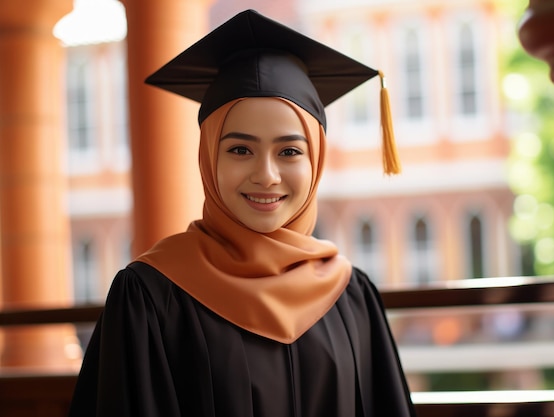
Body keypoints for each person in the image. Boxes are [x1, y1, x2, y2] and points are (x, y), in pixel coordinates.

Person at [68, 9, 415, 417]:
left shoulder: (351, 293)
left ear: (316, 160)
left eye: (289, 151)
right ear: (208, 157)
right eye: (239, 150)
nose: (266, 175)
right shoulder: (149, 297)